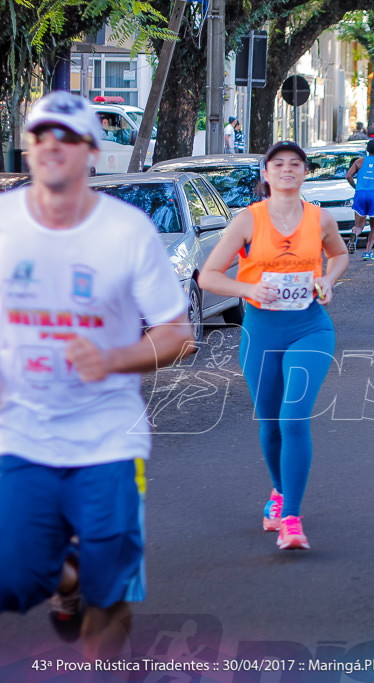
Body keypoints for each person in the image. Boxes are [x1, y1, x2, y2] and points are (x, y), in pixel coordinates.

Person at [0, 91, 195, 657]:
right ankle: (68, 579)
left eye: (68, 137)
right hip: (20, 433)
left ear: (91, 150)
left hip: (107, 439)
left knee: (109, 600)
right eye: (41, 136)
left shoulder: (126, 231)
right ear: (28, 147)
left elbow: (177, 333)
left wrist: (110, 358)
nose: (52, 147)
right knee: (12, 580)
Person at [199, 140, 349, 551]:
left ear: (305, 173)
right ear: (265, 174)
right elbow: (209, 276)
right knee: (269, 420)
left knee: (293, 417)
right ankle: (280, 491)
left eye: (295, 164)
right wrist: (249, 288)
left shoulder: (320, 219)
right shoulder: (247, 221)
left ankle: (292, 518)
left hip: (310, 329)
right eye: (278, 164)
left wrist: (328, 280)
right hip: (261, 331)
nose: (287, 169)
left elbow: (339, 256)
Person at [345, 138, 374, 261]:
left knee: (359, 225)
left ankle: (354, 234)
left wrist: (355, 186)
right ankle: (367, 252)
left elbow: (348, 176)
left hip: (360, 194)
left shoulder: (359, 162)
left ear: (367, 150)